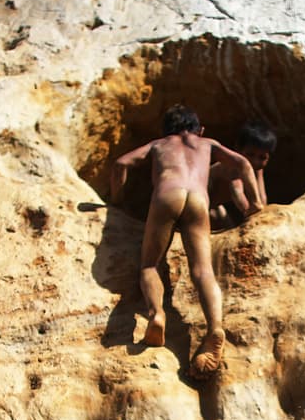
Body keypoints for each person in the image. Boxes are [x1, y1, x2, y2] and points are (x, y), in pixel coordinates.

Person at [109, 105, 262, 379]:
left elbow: (122, 164)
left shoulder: (159, 144)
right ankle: (215, 327)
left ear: (166, 130)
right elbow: (243, 164)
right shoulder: (207, 143)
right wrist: (256, 203)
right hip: (198, 199)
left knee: (150, 265)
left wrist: (116, 203)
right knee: (202, 270)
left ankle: (157, 315)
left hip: (167, 195)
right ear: (199, 130)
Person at [209, 120, 276, 229]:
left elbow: (261, 196)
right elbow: (237, 191)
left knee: (227, 224)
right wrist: (247, 211)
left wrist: (263, 213)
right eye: (250, 154)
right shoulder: (234, 166)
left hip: (216, 206)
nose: (255, 161)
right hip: (199, 201)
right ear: (238, 150)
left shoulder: (257, 169)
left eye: (262, 158)